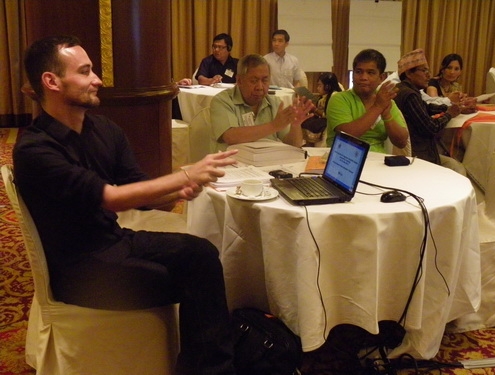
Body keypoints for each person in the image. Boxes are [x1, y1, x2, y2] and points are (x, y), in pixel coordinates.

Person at [14, 35, 239, 375]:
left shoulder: (103, 129)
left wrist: (180, 190)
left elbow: (135, 187)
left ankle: (204, 366)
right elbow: (110, 196)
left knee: (201, 254)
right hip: (80, 271)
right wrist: (184, 174)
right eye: (86, 71)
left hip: (114, 242)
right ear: (52, 81)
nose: (98, 80)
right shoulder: (35, 149)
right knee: (195, 278)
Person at [210, 53, 315, 152]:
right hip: (231, 166)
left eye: (265, 80)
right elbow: (230, 137)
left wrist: (295, 125)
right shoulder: (222, 101)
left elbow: (293, 146)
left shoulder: (275, 103)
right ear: (239, 80)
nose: (260, 87)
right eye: (254, 81)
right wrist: (274, 126)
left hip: (267, 165)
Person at [394, 48, 466, 175]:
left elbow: (426, 107)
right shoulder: (410, 95)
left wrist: (449, 108)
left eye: (428, 70)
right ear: (409, 74)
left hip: (417, 153)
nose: (428, 75)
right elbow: (431, 127)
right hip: (418, 157)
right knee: (458, 167)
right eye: (424, 70)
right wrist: (450, 114)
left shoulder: (404, 89)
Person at [326, 49, 408, 152]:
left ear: (381, 77)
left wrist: (387, 115)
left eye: (370, 73)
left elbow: (401, 142)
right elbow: (347, 137)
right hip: (344, 159)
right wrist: (378, 107)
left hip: (379, 162)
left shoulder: (385, 101)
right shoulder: (339, 99)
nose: (363, 77)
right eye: (358, 72)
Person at [301, 72, 342, 146]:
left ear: (327, 86)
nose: (317, 88)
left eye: (320, 85)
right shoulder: (324, 96)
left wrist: (315, 109)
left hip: (329, 123)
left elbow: (328, 115)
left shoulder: (334, 96)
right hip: (321, 120)